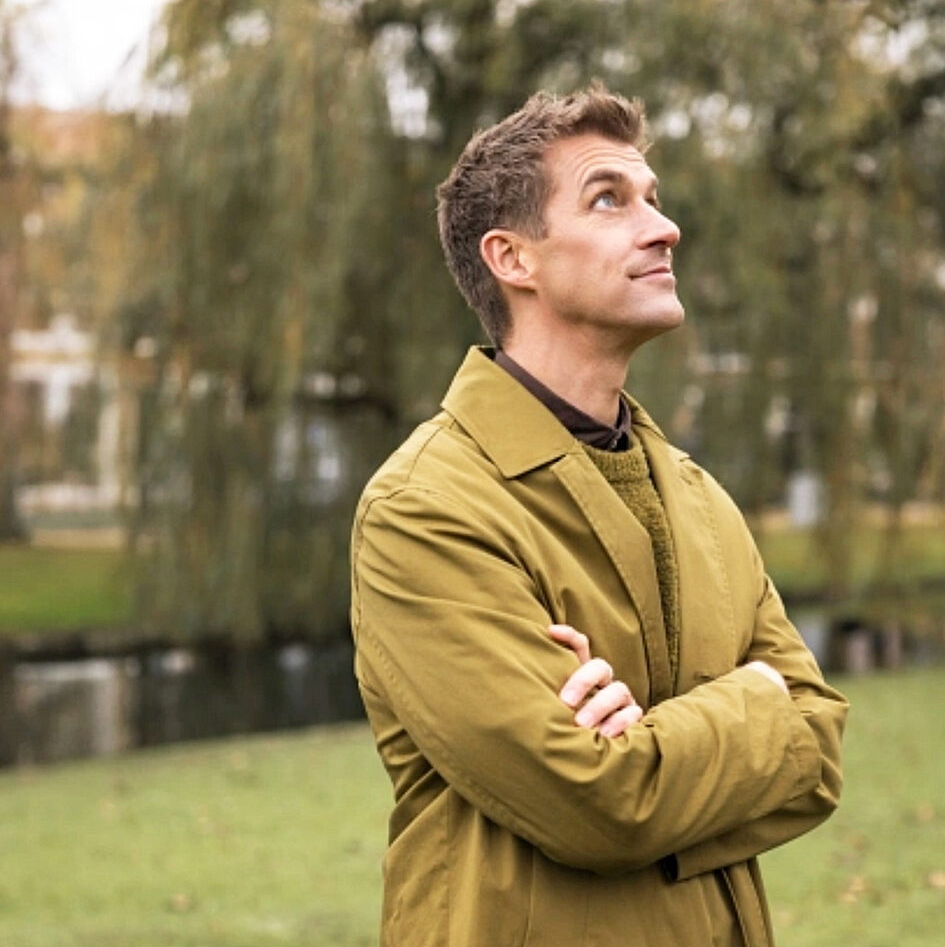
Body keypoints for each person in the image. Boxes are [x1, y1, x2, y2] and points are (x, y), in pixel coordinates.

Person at [349, 84, 847, 947]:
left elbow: (818, 750)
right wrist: (754, 704)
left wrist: (652, 740)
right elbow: (600, 803)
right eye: (610, 200)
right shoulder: (424, 508)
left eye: (653, 198)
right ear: (513, 258)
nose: (665, 228)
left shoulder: (697, 495)